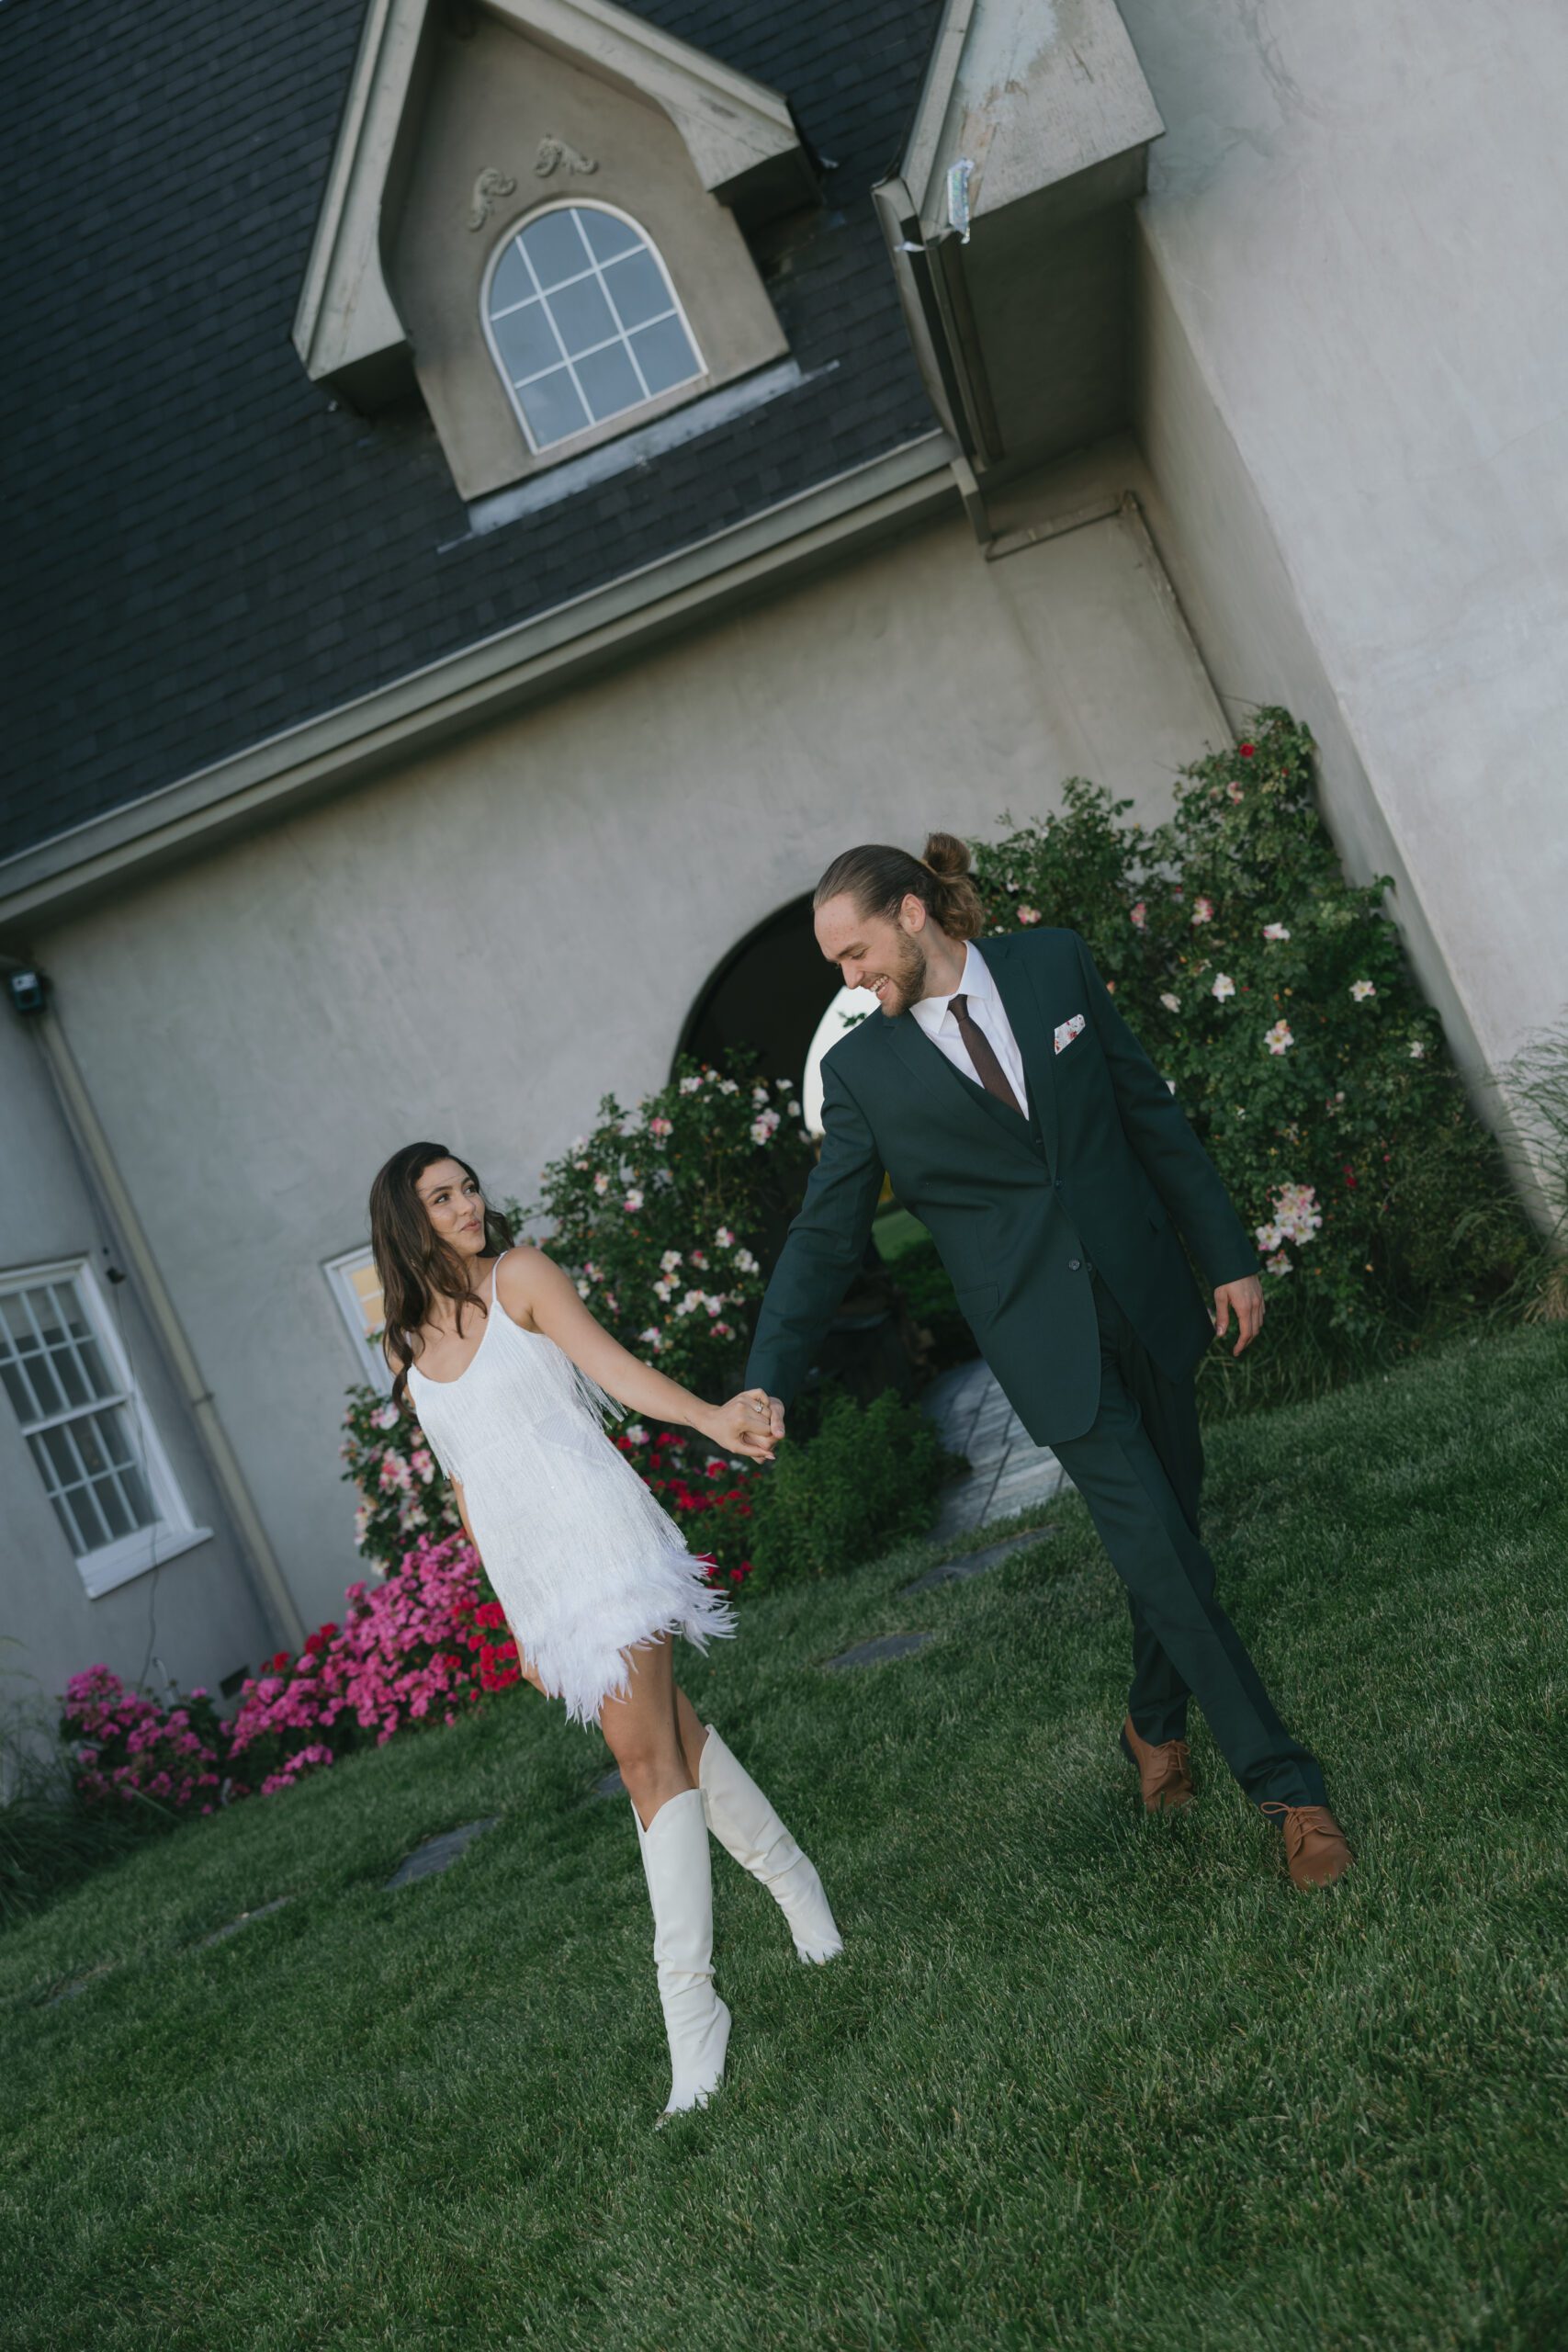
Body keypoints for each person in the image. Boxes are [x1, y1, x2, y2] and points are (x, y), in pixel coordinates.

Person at [745, 835, 1351, 1890]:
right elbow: (823, 1237)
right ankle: (1291, 1791)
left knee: (1178, 1536)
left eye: (854, 952)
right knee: (1160, 1552)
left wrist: (1227, 1256)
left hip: (1150, 1299)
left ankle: (1151, 1723)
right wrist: (768, 1375)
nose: (848, 980)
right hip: (1044, 1345)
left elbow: (1146, 1111)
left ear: (913, 913)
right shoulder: (862, 1072)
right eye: (837, 964)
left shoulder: (1054, 964)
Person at [368, 1141, 842, 2120]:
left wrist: (713, 1418)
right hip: (541, 1581)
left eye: (468, 1186)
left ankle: (692, 2012)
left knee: (645, 1762)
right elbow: (467, 1485)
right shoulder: (403, 1348)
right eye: (442, 1196)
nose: (468, 1203)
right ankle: (801, 1894)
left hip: (605, 1539)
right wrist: (519, 1622)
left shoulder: (523, 1276)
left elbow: (617, 1374)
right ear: (406, 1223)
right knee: (678, 1732)